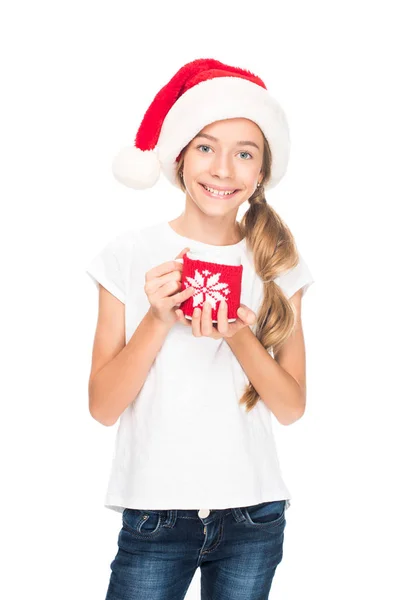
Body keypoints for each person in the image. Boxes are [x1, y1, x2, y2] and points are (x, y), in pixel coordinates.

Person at [86, 58, 315, 600]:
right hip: (155, 514)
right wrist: (158, 320)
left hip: (254, 515)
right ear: (180, 157)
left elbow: (291, 407)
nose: (223, 169)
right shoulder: (127, 254)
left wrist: (240, 337)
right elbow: (101, 407)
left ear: (262, 173)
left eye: (245, 154)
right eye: (207, 147)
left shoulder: (278, 263)